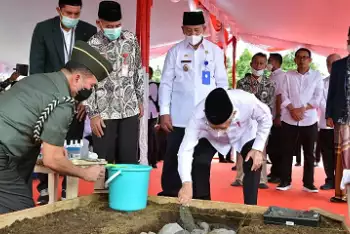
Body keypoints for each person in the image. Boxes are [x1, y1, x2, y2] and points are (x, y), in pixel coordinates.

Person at [0, 41, 113, 214]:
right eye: (90, 85)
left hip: (8, 153)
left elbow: (28, 120)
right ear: (76, 78)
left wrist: (56, 148)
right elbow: (51, 160)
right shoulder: (63, 102)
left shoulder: (38, 79)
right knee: (22, 218)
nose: (90, 90)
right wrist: (85, 173)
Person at [29, 0, 97, 205]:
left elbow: (92, 69)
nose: (73, 17)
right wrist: (47, 100)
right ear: (59, 10)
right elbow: (37, 68)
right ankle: (44, 188)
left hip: (78, 100)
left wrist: (84, 100)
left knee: (72, 144)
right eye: (69, 13)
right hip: (50, 97)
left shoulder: (89, 31)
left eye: (77, 13)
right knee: (46, 143)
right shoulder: (43, 29)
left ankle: (69, 186)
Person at [158, 11, 228, 197]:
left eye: (196, 30)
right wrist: (164, 112)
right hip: (179, 117)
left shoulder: (215, 51)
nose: (193, 34)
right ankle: (171, 194)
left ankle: (201, 198)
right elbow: (165, 83)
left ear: (204, 29)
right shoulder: (175, 51)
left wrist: (221, 113)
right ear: (182, 30)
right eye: (188, 30)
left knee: (201, 160)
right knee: (174, 157)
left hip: (206, 119)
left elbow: (222, 84)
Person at [177, 88, 272, 205]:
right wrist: (186, 183)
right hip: (210, 138)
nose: (219, 132)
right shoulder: (197, 116)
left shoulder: (246, 101)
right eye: (214, 127)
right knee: (199, 161)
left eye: (222, 128)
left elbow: (266, 118)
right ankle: (203, 205)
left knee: (253, 162)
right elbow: (185, 150)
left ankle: (250, 208)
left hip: (243, 134)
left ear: (233, 114)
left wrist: (257, 148)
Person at [85, 1, 144, 171]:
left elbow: (137, 70)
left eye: (118, 25)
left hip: (129, 109)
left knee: (129, 160)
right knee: (104, 161)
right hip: (104, 113)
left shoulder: (131, 40)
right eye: (109, 26)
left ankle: (127, 196)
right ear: (99, 23)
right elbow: (87, 81)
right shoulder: (92, 45)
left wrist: (139, 99)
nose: (114, 29)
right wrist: (93, 114)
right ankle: (104, 198)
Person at [277, 48, 323, 192]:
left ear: (310, 60)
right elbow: (283, 95)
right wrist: (292, 109)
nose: (302, 60)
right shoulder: (287, 75)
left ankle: (308, 183)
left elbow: (318, 97)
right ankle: (285, 181)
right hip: (289, 119)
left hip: (309, 120)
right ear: (295, 60)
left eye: (305, 57)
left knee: (309, 153)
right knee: (286, 151)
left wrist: (302, 109)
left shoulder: (316, 76)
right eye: (299, 57)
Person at [232, 52, 274, 189]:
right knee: (241, 148)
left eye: (262, 63)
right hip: (244, 121)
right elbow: (237, 102)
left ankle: (261, 179)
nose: (258, 65)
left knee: (260, 148)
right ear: (251, 64)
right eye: (256, 62)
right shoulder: (242, 82)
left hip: (261, 122)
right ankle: (239, 177)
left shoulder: (269, 84)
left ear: (266, 65)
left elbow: (270, 105)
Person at [326, 28, 350, 203]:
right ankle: (341, 193)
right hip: (341, 118)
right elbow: (332, 92)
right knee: (342, 157)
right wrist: (329, 114)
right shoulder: (339, 65)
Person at [319, 53, 341, 190]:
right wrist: (330, 116)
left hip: (344, 125)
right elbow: (321, 101)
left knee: (342, 155)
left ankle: (341, 181)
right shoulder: (322, 83)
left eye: (336, 63)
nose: (333, 67)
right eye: (330, 64)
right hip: (326, 124)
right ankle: (330, 180)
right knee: (327, 154)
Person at [266, 53, 286, 183]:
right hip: (270, 115)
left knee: (277, 147)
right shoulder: (271, 76)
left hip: (278, 117)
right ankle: (274, 171)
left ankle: (279, 174)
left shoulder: (281, 76)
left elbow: (279, 97)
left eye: (269, 60)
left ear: (276, 62)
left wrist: (278, 116)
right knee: (271, 147)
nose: (268, 63)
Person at [148, 67, 160, 168]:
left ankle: (152, 159)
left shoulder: (152, 85)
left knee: (150, 138)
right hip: (147, 114)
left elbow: (155, 98)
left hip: (151, 114)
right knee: (149, 137)